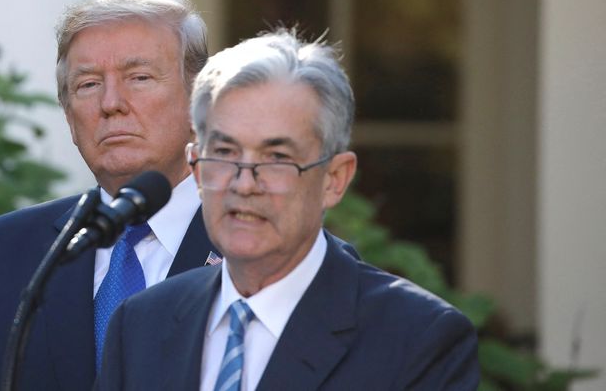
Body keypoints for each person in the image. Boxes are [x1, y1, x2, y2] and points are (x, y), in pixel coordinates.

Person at [96, 29, 479, 391]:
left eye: (277, 158)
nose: (244, 184)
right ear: (196, 168)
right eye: (225, 153)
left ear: (334, 179)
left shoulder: (417, 338)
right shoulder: (140, 324)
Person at [0, 0, 220, 391]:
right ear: (68, 114)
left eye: (139, 78)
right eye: (88, 84)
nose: (111, 103)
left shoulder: (255, 246)